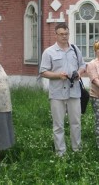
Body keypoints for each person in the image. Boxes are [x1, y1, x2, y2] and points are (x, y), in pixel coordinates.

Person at [39, 23, 86, 157]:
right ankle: (61, 153)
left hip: (74, 92)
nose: (64, 36)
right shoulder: (49, 52)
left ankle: (77, 150)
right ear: (56, 34)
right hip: (57, 93)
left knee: (76, 123)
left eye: (66, 34)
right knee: (58, 125)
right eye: (61, 34)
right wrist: (58, 76)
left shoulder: (75, 49)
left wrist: (79, 72)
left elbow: (83, 65)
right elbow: (43, 72)